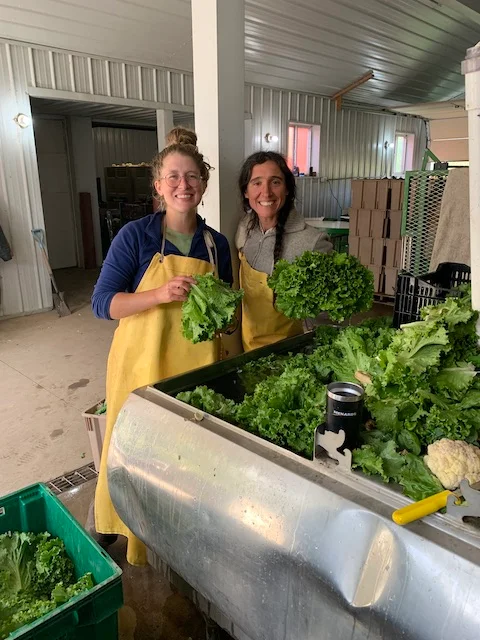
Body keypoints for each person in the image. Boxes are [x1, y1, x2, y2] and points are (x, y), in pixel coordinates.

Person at [91, 132, 233, 565]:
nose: (182, 184)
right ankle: (117, 521)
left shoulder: (216, 244)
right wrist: (158, 295)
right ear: (158, 185)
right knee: (131, 449)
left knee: (183, 457)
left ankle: (173, 533)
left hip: (195, 368)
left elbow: (225, 309)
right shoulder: (135, 237)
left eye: (192, 176)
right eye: (172, 176)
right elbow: (103, 304)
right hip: (141, 365)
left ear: (204, 184)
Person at [236, 151, 332, 352]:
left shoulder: (313, 242)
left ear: (287, 189)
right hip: (245, 353)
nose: (266, 192)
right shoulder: (243, 229)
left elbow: (326, 317)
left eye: (275, 182)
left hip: (290, 357)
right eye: (257, 183)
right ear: (246, 191)